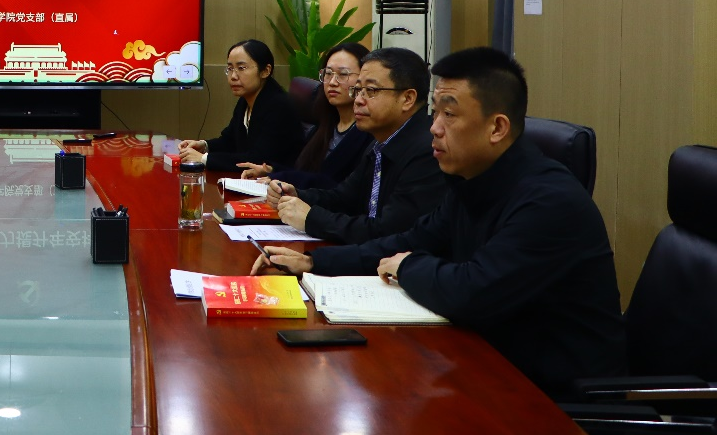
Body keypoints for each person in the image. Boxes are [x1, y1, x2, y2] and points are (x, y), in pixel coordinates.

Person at [252, 47, 626, 397]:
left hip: (552, 398)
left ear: (497, 128)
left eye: (450, 114)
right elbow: (410, 239)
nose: (434, 127)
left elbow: (471, 291)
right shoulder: (472, 179)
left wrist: (407, 266)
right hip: (484, 365)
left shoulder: (548, 201)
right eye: (435, 112)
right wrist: (313, 262)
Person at [264, 47, 444, 243]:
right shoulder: (379, 143)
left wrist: (311, 219)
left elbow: (387, 232)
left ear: (407, 99)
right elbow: (344, 198)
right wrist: (298, 194)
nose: (358, 100)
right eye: (358, 90)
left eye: (371, 91)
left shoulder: (428, 151)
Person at [240, 42, 371, 190]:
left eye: (343, 74)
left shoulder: (368, 133)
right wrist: (272, 171)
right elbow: (304, 172)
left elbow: (336, 186)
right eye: (328, 74)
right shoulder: (325, 125)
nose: (332, 82)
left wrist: (281, 177)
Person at [179, 39, 304, 173]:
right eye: (230, 68)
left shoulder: (279, 106)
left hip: (280, 182)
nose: (233, 76)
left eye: (241, 68)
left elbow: (257, 160)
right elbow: (229, 141)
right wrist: (204, 146)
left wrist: (204, 159)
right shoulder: (246, 100)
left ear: (265, 71)